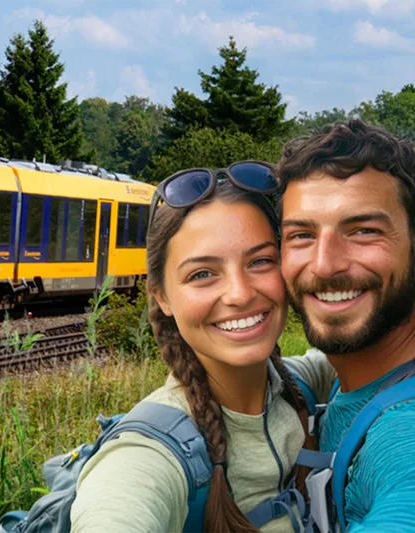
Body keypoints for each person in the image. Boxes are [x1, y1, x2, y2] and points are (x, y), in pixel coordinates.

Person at [70, 163, 335, 533]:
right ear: (162, 295)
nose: (240, 294)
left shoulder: (297, 385)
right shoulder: (149, 451)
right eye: (202, 274)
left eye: (260, 261)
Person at [276, 119, 415, 531]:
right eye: (301, 235)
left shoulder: (402, 440)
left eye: (364, 231)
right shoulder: (356, 373)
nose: (324, 264)